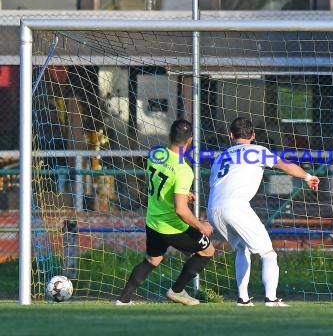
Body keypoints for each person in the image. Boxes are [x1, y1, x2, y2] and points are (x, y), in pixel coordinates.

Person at [207, 117, 320, 307]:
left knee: (243, 249)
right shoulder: (257, 151)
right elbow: (285, 165)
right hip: (235, 207)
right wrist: (308, 176)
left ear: (231, 135)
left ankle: (243, 299)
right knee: (268, 254)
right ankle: (271, 299)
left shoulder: (221, 156)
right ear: (253, 135)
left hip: (213, 208)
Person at [115, 119, 215, 306]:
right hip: (173, 227)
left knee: (153, 259)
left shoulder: (156, 155)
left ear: (170, 136)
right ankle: (177, 291)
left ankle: (123, 299)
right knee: (208, 250)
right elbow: (180, 210)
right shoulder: (184, 170)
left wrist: (184, 193)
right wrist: (201, 226)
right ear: (190, 141)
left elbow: (163, 182)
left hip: (153, 221)